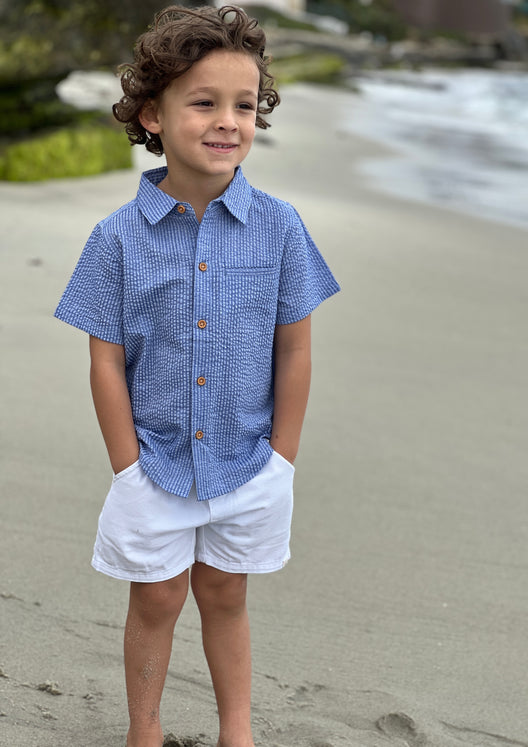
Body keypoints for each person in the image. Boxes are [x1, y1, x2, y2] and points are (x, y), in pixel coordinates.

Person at [54, 5, 339, 747]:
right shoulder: (115, 239)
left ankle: (234, 732)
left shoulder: (280, 227)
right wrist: (126, 469)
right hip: (152, 461)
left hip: (250, 461)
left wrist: (283, 456)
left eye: (243, 105)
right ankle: (143, 731)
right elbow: (105, 360)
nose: (227, 122)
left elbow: (296, 350)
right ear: (152, 113)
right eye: (204, 102)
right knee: (154, 597)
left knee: (224, 592)